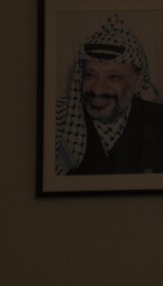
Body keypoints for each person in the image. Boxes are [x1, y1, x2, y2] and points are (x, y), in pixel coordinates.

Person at [55, 14, 163, 175]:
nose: (98, 90)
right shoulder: (59, 121)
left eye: (113, 77)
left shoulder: (158, 121)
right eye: (90, 75)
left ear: (138, 82)